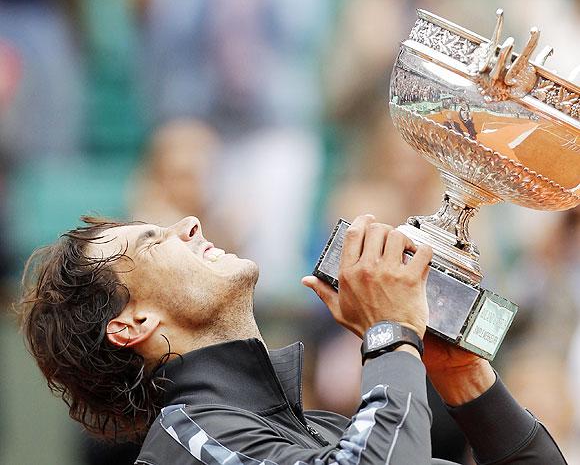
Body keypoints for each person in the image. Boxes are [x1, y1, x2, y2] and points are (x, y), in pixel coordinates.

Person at [18, 214, 567, 464]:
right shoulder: (195, 449)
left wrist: (461, 378)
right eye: (152, 240)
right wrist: (391, 335)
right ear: (131, 324)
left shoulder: (320, 431)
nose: (188, 224)